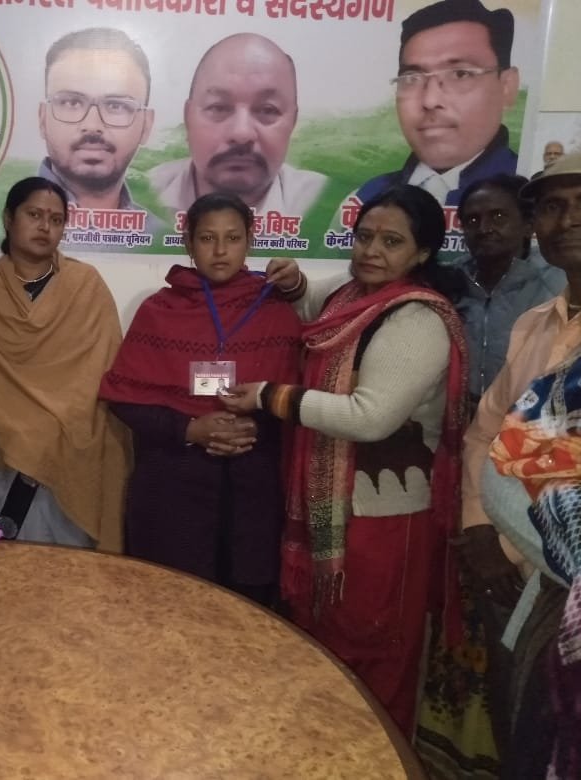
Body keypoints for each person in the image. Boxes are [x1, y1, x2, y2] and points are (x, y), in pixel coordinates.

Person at [222, 184, 468, 735]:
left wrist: (269, 396)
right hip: (332, 507)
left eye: (391, 241)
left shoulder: (417, 320)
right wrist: (295, 284)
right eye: (364, 236)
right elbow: (313, 309)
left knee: (377, 650)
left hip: (385, 517)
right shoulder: (350, 298)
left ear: (423, 252)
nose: (371, 250)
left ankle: (379, 756)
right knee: (327, 644)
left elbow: (369, 417)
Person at [99, 193, 301, 603]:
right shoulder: (159, 310)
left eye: (233, 238)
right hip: (173, 490)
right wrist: (190, 429)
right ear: (188, 242)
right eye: (208, 238)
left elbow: (297, 398)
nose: (221, 250)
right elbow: (123, 398)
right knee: (171, 606)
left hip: (252, 493)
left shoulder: (276, 311)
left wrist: (251, 426)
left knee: (247, 612)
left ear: (250, 241)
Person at [458, 150, 581, 775]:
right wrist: (479, 526)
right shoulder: (535, 326)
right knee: (527, 731)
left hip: (568, 580)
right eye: (555, 206)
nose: (568, 220)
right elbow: (486, 431)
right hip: (522, 578)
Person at [0, 177, 129, 551]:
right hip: (3, 447)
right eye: (34, 215)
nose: (44, 227)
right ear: (9, 219)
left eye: (55, 219)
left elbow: (104, 370)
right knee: (9, 565)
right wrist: (27, 425)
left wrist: (54, 423)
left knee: (69, 570)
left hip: (70, 444)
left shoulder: (86, 285)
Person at [354, 0, 519, 208]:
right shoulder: (367, 197)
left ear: (507, 86)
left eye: (460, 74)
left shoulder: (526, 193)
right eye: (412, 78)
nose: (430, 101)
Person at [149, 33, 326, 217]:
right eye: (218, 108)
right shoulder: (146, 193)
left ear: (293, 122)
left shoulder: (325, 202)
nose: (242, 133)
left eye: (267, 110)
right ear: (188, 117)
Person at [444, 174, 564, 409]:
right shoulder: (448, 281)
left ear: (528, 225)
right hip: (456, 417)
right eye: (472, 220)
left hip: (530, 418)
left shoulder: (558, 281)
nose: (484, 229)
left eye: (498, 217)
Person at [38, 28, 158, 226]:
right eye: (71, 103)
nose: (92, 126)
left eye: (116, 106)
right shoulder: (7, 230)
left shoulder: (159, 235)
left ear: (146, 125)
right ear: (43, 119)